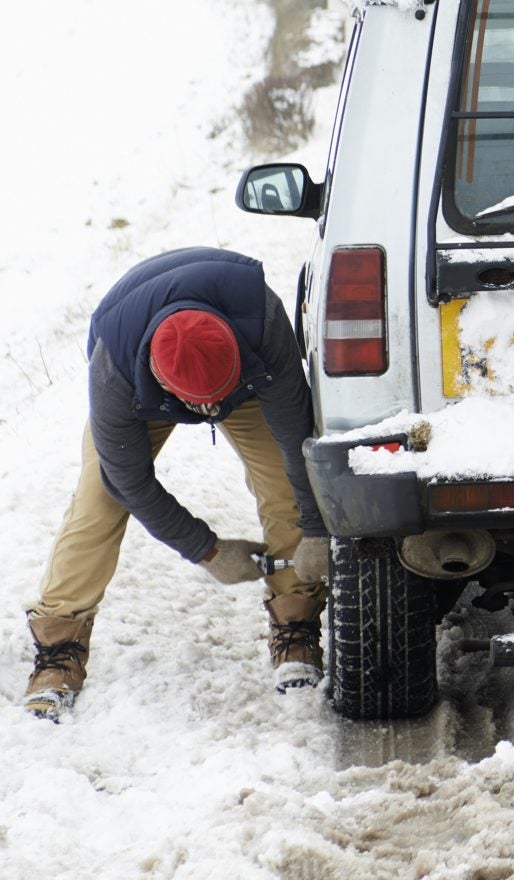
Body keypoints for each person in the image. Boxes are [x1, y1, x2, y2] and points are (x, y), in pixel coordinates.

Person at [21, 247, 331, 719]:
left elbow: (295, 441)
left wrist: (315, 528)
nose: (211, 413)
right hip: (145, 387)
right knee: (98, 500)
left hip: (245, 376)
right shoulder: (115, 370)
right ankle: (58, 646)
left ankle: (296, 619)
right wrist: (207, 550)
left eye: (216, 403)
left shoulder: (262, 323)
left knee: (285, 482)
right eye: (202, 406)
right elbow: (129, 482)